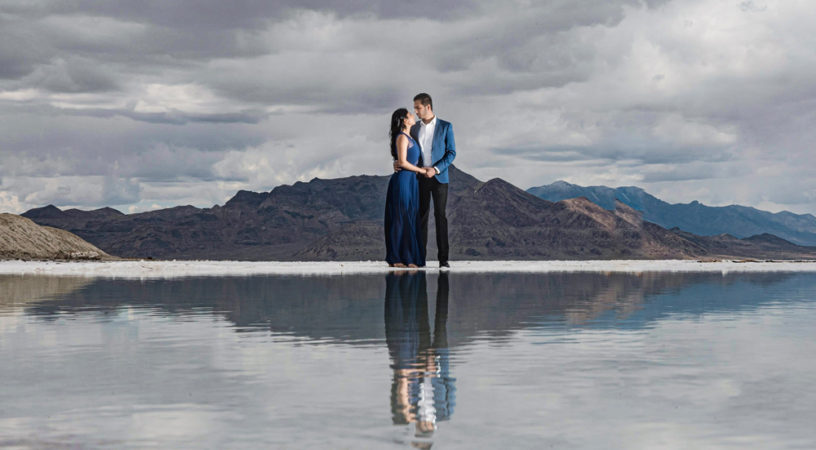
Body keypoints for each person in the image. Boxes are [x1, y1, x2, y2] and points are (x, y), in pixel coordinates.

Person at [394, 93, 456, 268]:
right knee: (420, 217)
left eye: (418, 108)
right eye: (414, 108)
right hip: (419, 178)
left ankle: (443, 260)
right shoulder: (414, 128)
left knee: (440, 216)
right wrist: (397, 161)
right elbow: (405, 148)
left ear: (428, 107)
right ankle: (419, 258)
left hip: (439, 178)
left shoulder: (446, 126)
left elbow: (451, 153)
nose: (416, 111)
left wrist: (435, 169)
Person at [384, 108, 426, 268]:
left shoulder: (410, 137)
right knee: (401, 218)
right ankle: (398, 258)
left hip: (411, 181)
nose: (413, 115)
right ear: (404, 120)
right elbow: (402, 162)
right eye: (410, 115)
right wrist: (422, 171)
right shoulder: (402, 138)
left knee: (409, 217)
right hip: (403, 181)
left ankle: (408, 257)